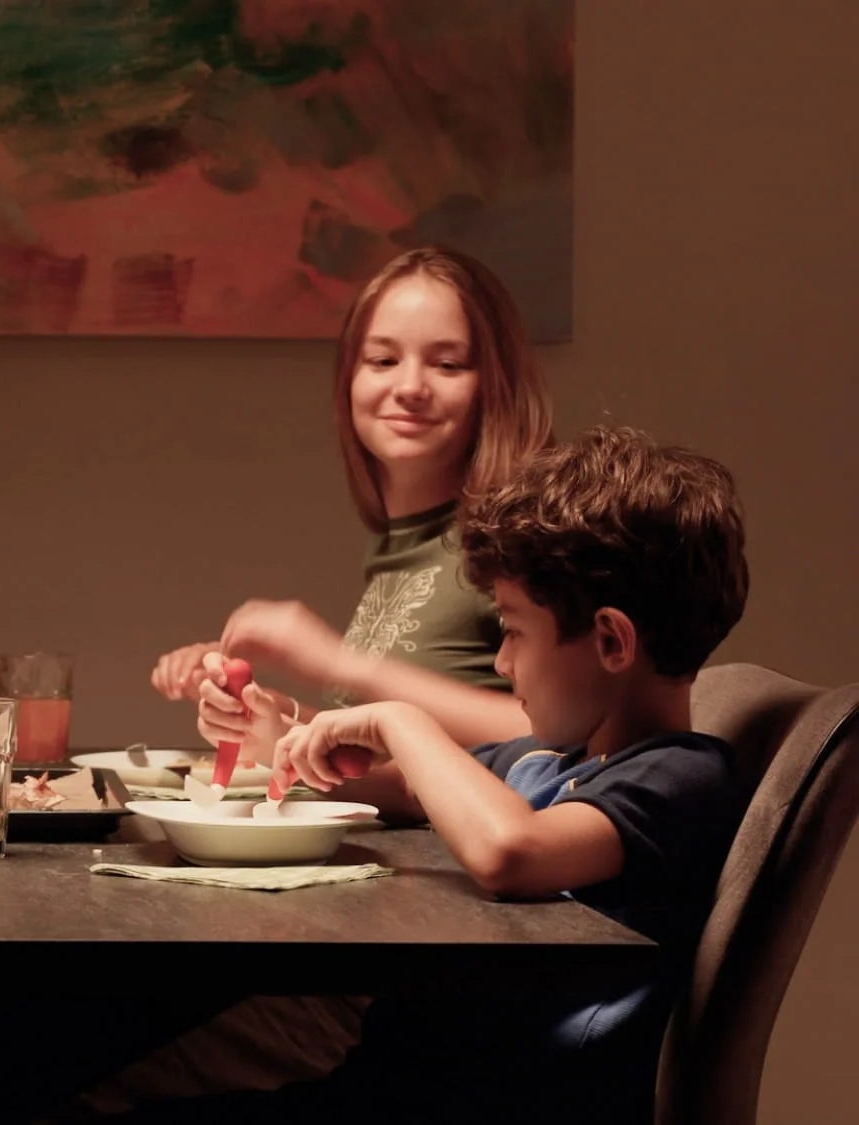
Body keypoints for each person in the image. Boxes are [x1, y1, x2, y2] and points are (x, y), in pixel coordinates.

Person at [132, 426, 751, 1123]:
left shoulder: (681, 777)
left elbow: (511, 851)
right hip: (405, 1085)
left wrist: (401, 717)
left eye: (513, 630)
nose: (503, 663)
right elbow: (405, 786)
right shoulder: (553, 756)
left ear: (610, 640)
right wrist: (283, 734)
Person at [152, 247, 552, 764]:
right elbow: (404, 749)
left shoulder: (523, 539)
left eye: (447, 364)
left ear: (494, 386)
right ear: (350, 380)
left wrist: (337, 661)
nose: (409, 387)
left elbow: (565, 740)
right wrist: (275, 718)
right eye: (383, 360)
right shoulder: (405, 544)